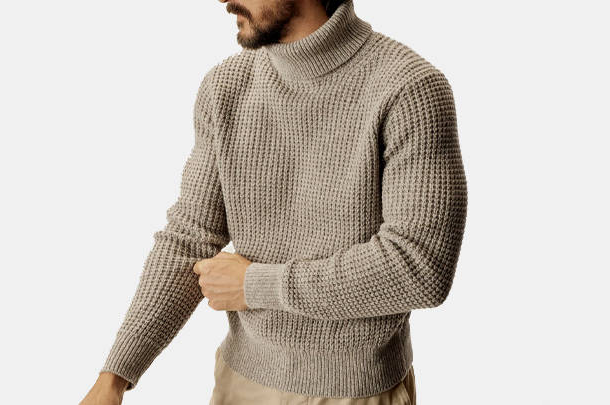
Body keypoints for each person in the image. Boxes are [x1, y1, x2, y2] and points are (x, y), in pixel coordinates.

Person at [79, 0, 467, 404]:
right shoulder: (226, 86)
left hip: (356, 391)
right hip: (240, 382)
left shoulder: (410, 88)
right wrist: (114, 377)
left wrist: (255, 285)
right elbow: (189, 238)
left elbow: (419, 266)